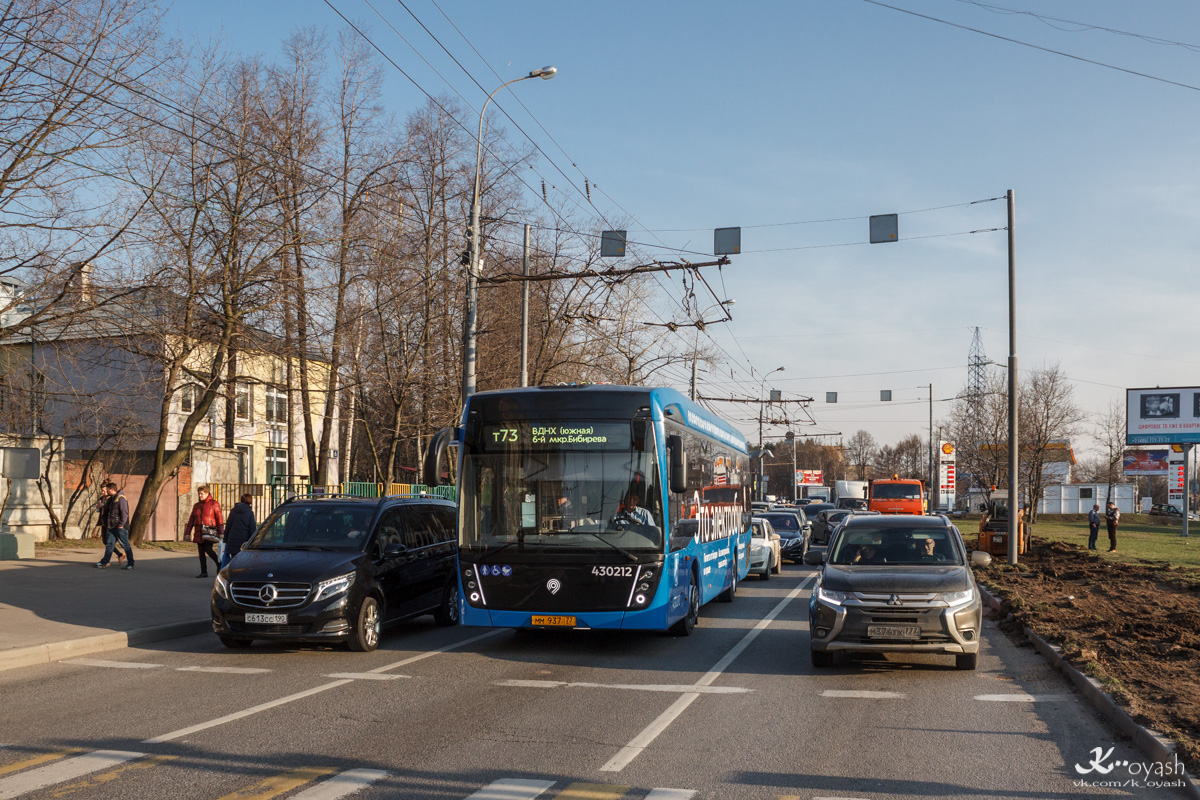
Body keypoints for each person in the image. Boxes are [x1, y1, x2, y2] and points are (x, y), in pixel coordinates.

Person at [184, 485, 224, 578]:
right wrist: (187, 533)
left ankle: (219, 564)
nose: (200, 495)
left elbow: (219, 518)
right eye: (199, 494)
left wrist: (221, 531)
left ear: (207, 493)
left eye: (201, 493)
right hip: (198, 531)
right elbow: (191, 520)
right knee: (201, 552)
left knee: (208, 549)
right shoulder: (196, 506)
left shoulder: (214, 504)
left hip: (209, 530)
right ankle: (204, 571)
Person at [95, 482, 134, 570]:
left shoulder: (120, 498)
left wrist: (121, 524)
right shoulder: (111, 499)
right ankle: (104, 562)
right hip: (111, 526)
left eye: (107, 489)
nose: (106, 491)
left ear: (112, 489)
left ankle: (131, 564)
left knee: (125, 545)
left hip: (119, 527)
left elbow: (124, 513)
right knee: (109, 544)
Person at [221, 493, 256, 568]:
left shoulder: (234, 510)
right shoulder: (250, 513)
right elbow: (252, 528)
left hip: (232, 539)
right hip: (244, 539)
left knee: (233, 559)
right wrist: (253, 541)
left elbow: (228, 525)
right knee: (243, 560)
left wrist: (225, 539)